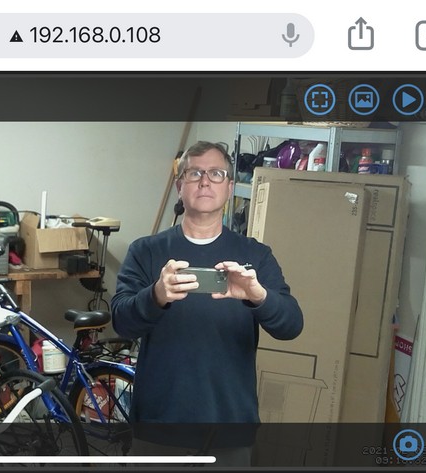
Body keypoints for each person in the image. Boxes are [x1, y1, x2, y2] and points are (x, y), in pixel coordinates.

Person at [110, 140, 304, 467]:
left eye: (216, 173)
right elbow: (121, 321)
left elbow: (292, 325)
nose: (204, 181)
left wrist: (258, 295)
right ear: (179, 186)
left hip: (229, 425)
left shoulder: (255, 256)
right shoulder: (146, 251)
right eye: (194, 173)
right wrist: (156, 295)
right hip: (160, 424)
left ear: (230, 187)